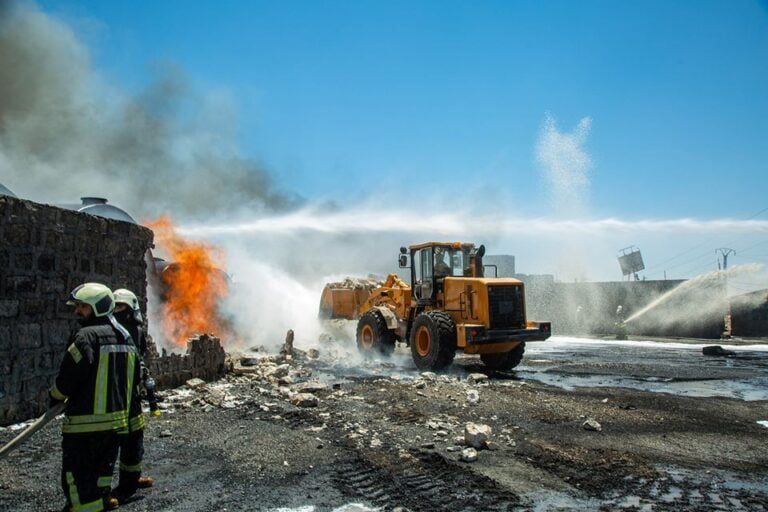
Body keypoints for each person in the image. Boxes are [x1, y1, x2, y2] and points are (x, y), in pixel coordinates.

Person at [49, 283, 139, 512]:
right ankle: (100, 502)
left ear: (98, 307)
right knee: (101, 475)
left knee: (78, 481)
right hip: (115, 424)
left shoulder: (86, 336)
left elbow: (69, 377)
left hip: (85, 424)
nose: (77, 311)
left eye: (83, 306)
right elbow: (135, 376)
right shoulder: (126, 335)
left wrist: (55, 395)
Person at [111, 288, 155, 504]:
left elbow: (140, 356)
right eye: (115, 306)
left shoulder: (136, 331)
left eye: (121, 307)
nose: (117, 311)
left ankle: (130, 480)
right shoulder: (108, 331)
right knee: (110, 442)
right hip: (114, 394)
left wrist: (144, 379)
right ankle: (104, 492)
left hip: (133, 393)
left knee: (134, 439)